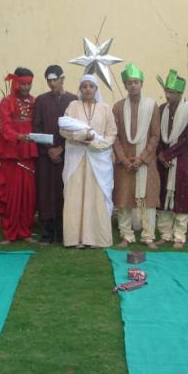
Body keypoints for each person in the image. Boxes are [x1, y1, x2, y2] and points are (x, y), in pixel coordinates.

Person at [60, 74, 117, 248]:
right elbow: (63, 130)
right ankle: (74, 238)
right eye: (84, 86)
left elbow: (111, 134)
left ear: (96, 89)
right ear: (80, 89)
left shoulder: (105, 109)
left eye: (91, 86)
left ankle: (97, 239)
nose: (87, 89)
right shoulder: (73, 106)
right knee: (75, 196)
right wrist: (82, 136)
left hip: (98, 160)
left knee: (96, 197)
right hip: (76, 158)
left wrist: (95, 143)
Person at [112, 63, 160, 249]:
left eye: (136, 82)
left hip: (146, 162)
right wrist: (124, 159)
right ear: (125, 85)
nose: (133, 85)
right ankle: (126, 235)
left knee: (148, 200)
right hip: (124, 161)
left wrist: (142, 158)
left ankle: (148, 236)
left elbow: (155, 136)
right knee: (124, 199)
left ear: (141, 84)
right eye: (129, 82)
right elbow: (115, 136)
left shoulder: (152, 106)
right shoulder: (118, 107)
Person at [32, 65, 78, 245]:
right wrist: (49, 149)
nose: (52, 83)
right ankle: (46, 234)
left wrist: (62, 148)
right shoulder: (41, 101)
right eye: (49, 80)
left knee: (64, 193)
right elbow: (36, 127)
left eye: (55, 80)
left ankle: (64, 233)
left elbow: (76, 129)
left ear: (62, 79)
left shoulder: (73, 100)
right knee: (45, 193)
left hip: (68, 156)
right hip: (46, 157)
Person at [156, 69, 188, 249]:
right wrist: (161, 155)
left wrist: (167, 155)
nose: (168, 95)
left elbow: (187, 139)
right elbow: (157, 135)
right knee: (163, 197)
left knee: (182, 197)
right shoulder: (161, 110)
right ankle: (165, 234)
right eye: (167, 91)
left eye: (172, 92)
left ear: (181, 93)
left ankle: (179, 236)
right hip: (163, 162)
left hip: (182, 160)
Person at [0, 67, 38, 244]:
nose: (26, 87)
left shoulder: (35, 102)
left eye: (29, 84)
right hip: (11, 154)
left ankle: (25, 232)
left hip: (29, 153)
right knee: (11, 194)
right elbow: (5, 127)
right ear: (15, 83)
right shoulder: (6, 102)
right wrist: (19, 137)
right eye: (23, 84)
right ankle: (10, 232)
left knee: (28, 195)